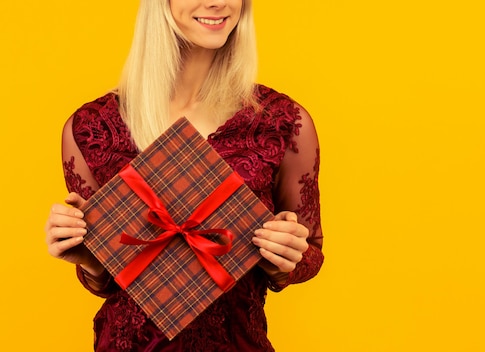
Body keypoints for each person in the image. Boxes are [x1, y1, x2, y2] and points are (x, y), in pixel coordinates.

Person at [44, 0, 324, 350]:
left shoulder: (281, 122)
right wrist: (87, 257)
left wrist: (284, 258)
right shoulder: (91, 128)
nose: (219, 2)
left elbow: (311, 252)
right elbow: (107, 283)